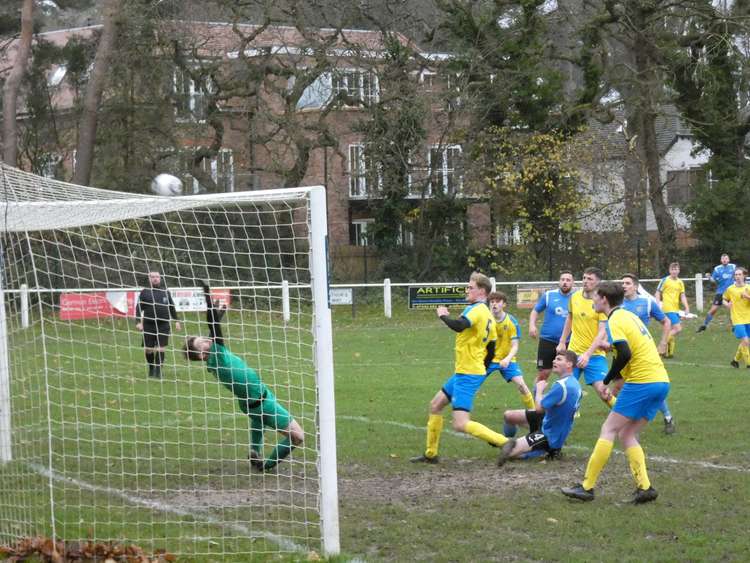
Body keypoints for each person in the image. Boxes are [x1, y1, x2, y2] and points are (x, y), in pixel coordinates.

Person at [561, 282, 669, 504]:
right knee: (627, 434)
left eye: (595, 297)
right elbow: (630, 349)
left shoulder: (615, 319)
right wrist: (610, 350)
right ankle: (645, 488)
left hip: (643, 382)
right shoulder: (628, 316)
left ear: (604, 300)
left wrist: (608, 380)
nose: (592, 300)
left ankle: (587, 487)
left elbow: (626, 354)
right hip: (660, 381)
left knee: (609, 429)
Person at [184, 283, 304, 472]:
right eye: (202, 343)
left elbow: (213, 333)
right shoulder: (218, 357)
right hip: (262, 403)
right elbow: (213, 327)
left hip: (256, 399)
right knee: (297, 436)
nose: (207, 341)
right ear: (201, 355)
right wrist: (207, 295)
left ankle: (254, 450)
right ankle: (266, 465)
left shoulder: (213, 360)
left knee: (259, 419)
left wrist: (220, 312)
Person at [411, 272, 509, 464]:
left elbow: (460, 325)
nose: (467, 290)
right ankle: (431, 454)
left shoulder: (476, 309)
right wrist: (482, 368)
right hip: (466, 371)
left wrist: (443, 316)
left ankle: (505, 442)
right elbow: (491, 347)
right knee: (436, 404)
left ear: (481, 291)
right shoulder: (487, 314)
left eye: (470, 287)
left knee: (460, 423)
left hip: (467, 373)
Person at [497, 350, 582, 466]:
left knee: (509, 453)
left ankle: (547, 451)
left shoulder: (562, 386)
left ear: (569, 364)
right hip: (547, 420)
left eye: (559, 359)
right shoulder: (573, 383)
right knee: (508, 416)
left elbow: (538, 408)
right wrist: (540, 393)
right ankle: (507, 440)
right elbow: (553, 405)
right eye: (555, 359)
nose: (553, 361)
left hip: (550, 435)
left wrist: (539, 390)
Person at [620, 274, 675, 434]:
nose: (624, 286)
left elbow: (666, 322)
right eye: (622, 283)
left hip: (643, 353)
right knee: (621, 387)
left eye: (628, 283)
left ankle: (667, 417)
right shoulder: (618, 304)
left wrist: (663, 343)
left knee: (650, 386)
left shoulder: (647, 302)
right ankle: (628, 418)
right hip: (624, 354)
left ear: (636, 287)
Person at [556, 267, 614, 408]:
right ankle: (565, 418)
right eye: (584, 278)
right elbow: (569, 318)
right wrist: (562, 342)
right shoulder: (574, 297)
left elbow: (602, 332)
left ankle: (623, 418)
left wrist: (587, 355)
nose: (585, 281)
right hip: (573, 354)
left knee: (603, 392)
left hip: (594, 355)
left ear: (598, 282)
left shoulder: (600, 302)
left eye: (590, 279)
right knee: (565, 390)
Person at [486, 291, 534, 410]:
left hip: (507, 359)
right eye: (492, 302)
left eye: (497, 302)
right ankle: (460, 410)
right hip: (487, 359)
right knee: (471, 384)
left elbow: (515, 346)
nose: (494, 304)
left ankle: (533, 413)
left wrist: (507, 359)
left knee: (522, 385)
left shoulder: (511, 321)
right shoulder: (485, 320)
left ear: (504, 304)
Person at [528, 271, 574, 384]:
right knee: (544, 374)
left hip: (569, 341)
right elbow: (535, 310)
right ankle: (536, 399)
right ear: (559, 281)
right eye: (563, 279)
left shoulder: (576, 298)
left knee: (568, 374)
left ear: (572, 283)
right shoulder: (549, 295)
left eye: (568, 280)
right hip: (547, 340)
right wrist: (532, 325)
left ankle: (565, 399)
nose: (565, 282)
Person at [135, 271, 181, 379]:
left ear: (160, 279)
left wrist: (177, 321)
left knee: (161, 348)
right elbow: (138, 308)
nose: (155, 279)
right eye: (153, 277)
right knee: (149, 349)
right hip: (148, 325)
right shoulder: (144, 292)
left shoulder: (165, 292)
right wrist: (138, 322)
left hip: (163, 325)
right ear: (149, 279)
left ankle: (159, 371)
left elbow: (171, 307)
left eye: (157, 277)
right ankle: (151, 368)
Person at [655, 262, 690, 358]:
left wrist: (686, 307)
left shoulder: (680, 282)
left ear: (679, 271)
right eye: (673, 269)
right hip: (667, 308)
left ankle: (667, 353)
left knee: (670, 330)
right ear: (669, 270)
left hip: (675, 309)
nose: (674, 271)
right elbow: (658, 293)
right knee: (678, 328)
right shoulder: (665, 280)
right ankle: (660, 347)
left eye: (676, 269)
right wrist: (657, 305)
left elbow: (682, 296)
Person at [697, 253, 735, 333]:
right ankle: (704, 325)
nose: (724, 260)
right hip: (720, 293)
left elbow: (740, 275)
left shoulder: (733, 267)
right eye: (723, 258)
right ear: (721, 260)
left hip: (732, 292)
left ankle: (734, 327)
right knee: (713, 310)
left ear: (728, 260)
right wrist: (709, 277)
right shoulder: (717, 269)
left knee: (733, 309)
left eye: (726, 258)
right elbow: (713, 280)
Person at [721, 267, 750, 368]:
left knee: (745, 342)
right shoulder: (730, 289)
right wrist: (727, 304)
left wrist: (747, 297)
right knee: (745, 341)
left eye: (739, 274)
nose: (737, 277)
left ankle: (735, 360)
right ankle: (748, 363)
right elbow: (724, 299)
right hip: (737, 319)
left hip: (748, 318)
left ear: (744, 276)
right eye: (736, 275)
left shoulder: (748, 288)